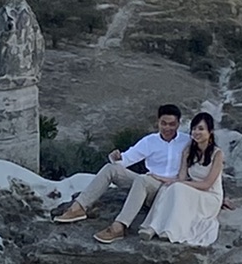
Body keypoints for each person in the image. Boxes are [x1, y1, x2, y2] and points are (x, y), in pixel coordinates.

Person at [52, 105, 189, 243]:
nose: (167, 128)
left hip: (171, 188)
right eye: (163, 123)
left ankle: (120, 226)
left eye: (172, 124)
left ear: (178, 123)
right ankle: (78, 208)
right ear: (158, 122)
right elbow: (128, 158)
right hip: (150, 182)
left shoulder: (187, 141)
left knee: (142, 180)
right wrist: (117, 157)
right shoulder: (150, 141)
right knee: (111, 168)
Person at [139, 110, 224, 248]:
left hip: (210, 196)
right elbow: (181, 177)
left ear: (210, 131)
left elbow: (207, 184)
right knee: (167, 188)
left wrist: (181, 184)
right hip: (194, 190)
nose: (196, 132)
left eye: (201, 129)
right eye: (194, 129)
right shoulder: (188, 151)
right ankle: (152, 227)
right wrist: (159, 178)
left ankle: (171, 230)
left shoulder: (217, 154)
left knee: (178, 187)